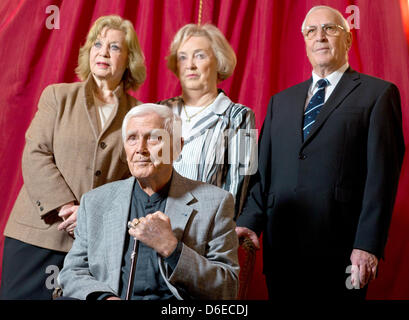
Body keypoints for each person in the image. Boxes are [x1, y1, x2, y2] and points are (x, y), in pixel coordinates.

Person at [236, 5, 405, 299]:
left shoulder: (378, 94)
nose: (320, 37)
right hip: (282, 254)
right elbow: (263, 174)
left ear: (348, 39)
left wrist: (367, 245)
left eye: (330, 28)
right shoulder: (281, 102)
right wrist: (250, 221)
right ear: (305, 42)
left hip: (341, 254)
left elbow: (382, 179)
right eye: (311, 31)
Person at [0, 15, 146, 300]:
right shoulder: (57, 96)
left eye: (115, 47)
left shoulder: (139, 115)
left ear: (130, 60)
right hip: (37, 235)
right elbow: (36, 153)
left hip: (94, 247)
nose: (103, 52)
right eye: (97, 44)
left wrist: (90, 215)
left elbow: (135, 181)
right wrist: (67, 207)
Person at [57, 104, 239, 300]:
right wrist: (104, 298)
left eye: (154, 138)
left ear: (178, 147)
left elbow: (227, 288)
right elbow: (72, 272)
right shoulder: (95, 202)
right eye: (132, 138)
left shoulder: (215, 203)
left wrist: (172, 249)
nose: (140, 149)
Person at [159, 24, 256, 218]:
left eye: (200, 55)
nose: (190, 65)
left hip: (206, 232)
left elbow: (238, 188)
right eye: (183, 57)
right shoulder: (160, 112)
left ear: (219, 61)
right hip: (154, 224)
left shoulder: (240, 116)